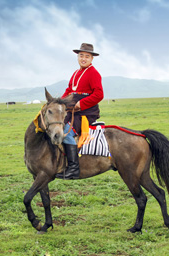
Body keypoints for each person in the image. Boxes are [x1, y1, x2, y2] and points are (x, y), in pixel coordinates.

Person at [56, 43, 104, 180]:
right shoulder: (76, 73)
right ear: (78, 57)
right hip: (72, 109)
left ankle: (73, 169)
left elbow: (99, 95)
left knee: (67, 132)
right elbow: (69, 90)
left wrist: (81, 104)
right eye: (81, 56)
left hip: (86, 112)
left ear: (92, 58)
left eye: (87, 56)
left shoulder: (94, 73)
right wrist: (60, 102)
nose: (83, 58)